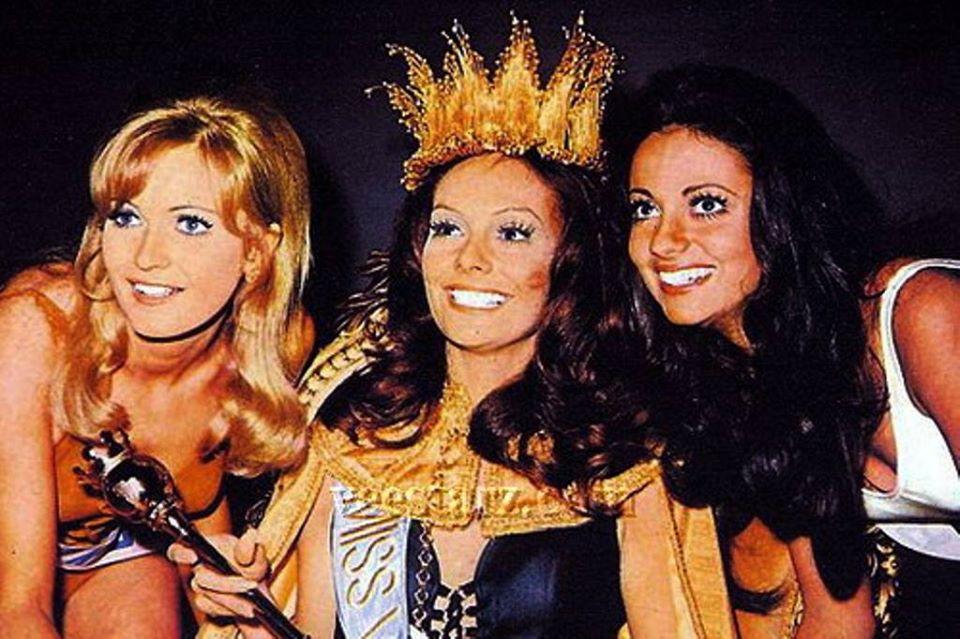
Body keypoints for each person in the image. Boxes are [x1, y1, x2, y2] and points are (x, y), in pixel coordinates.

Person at [181, 18, 737, 639]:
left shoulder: (624, 454)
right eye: (447, 228)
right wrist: (252, 617)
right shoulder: (351, 433)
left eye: (513, 232)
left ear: (570, 262)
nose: (469, 259)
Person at [610, 63, 960, 637]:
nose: (664, 242)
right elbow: (837, 618)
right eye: (645, 208)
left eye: (707, 204)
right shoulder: (766, 382)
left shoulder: (922, 312)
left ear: (784, 206)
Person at [0, 96, 313, 638]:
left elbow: (199, 507)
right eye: (127, 216)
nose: (145, 257)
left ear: (257, 252)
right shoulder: (35, 329)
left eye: (190, 224)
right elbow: (17, 608)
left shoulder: (276, 345)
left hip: (108, 551)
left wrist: (227, 598)